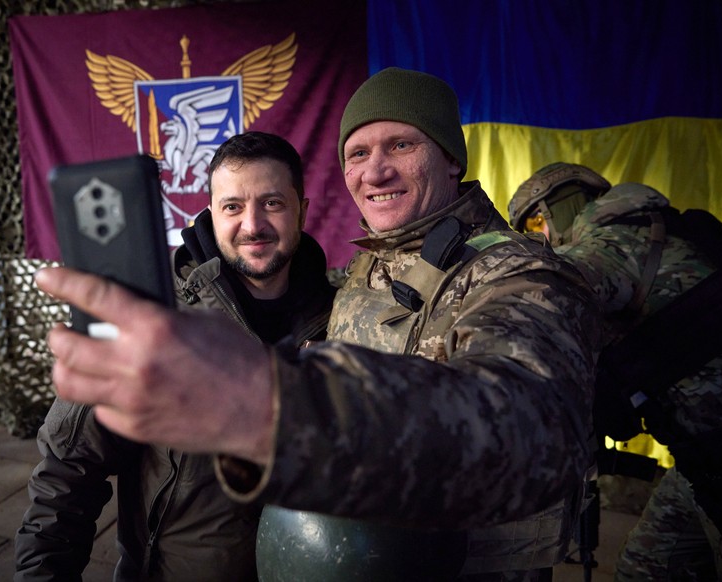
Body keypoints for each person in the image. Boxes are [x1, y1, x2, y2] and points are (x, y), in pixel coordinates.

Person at [35, 68, 601, 581]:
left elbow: (538, 423)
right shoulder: (345, 279)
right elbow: (65, 473)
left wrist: (264, 404)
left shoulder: (516, 271)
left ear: (452, 157)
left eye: (401, 145)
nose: (375, 170)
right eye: (357, 153)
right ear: (209, 213)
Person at [15, 131, 337, 581]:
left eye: (273, 203)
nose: (253, 224)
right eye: (233, 207)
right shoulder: (153, 318)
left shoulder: (342, 315)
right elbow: (67, 471)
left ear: (301, 211)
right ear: (210, 213)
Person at [508, 162, 722, 580]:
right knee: (644, 568)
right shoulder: (664, 228)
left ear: (563, 206)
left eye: (538, 221)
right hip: (706, 459)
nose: (541, 238)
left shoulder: (614, 242)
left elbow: (543, 291)